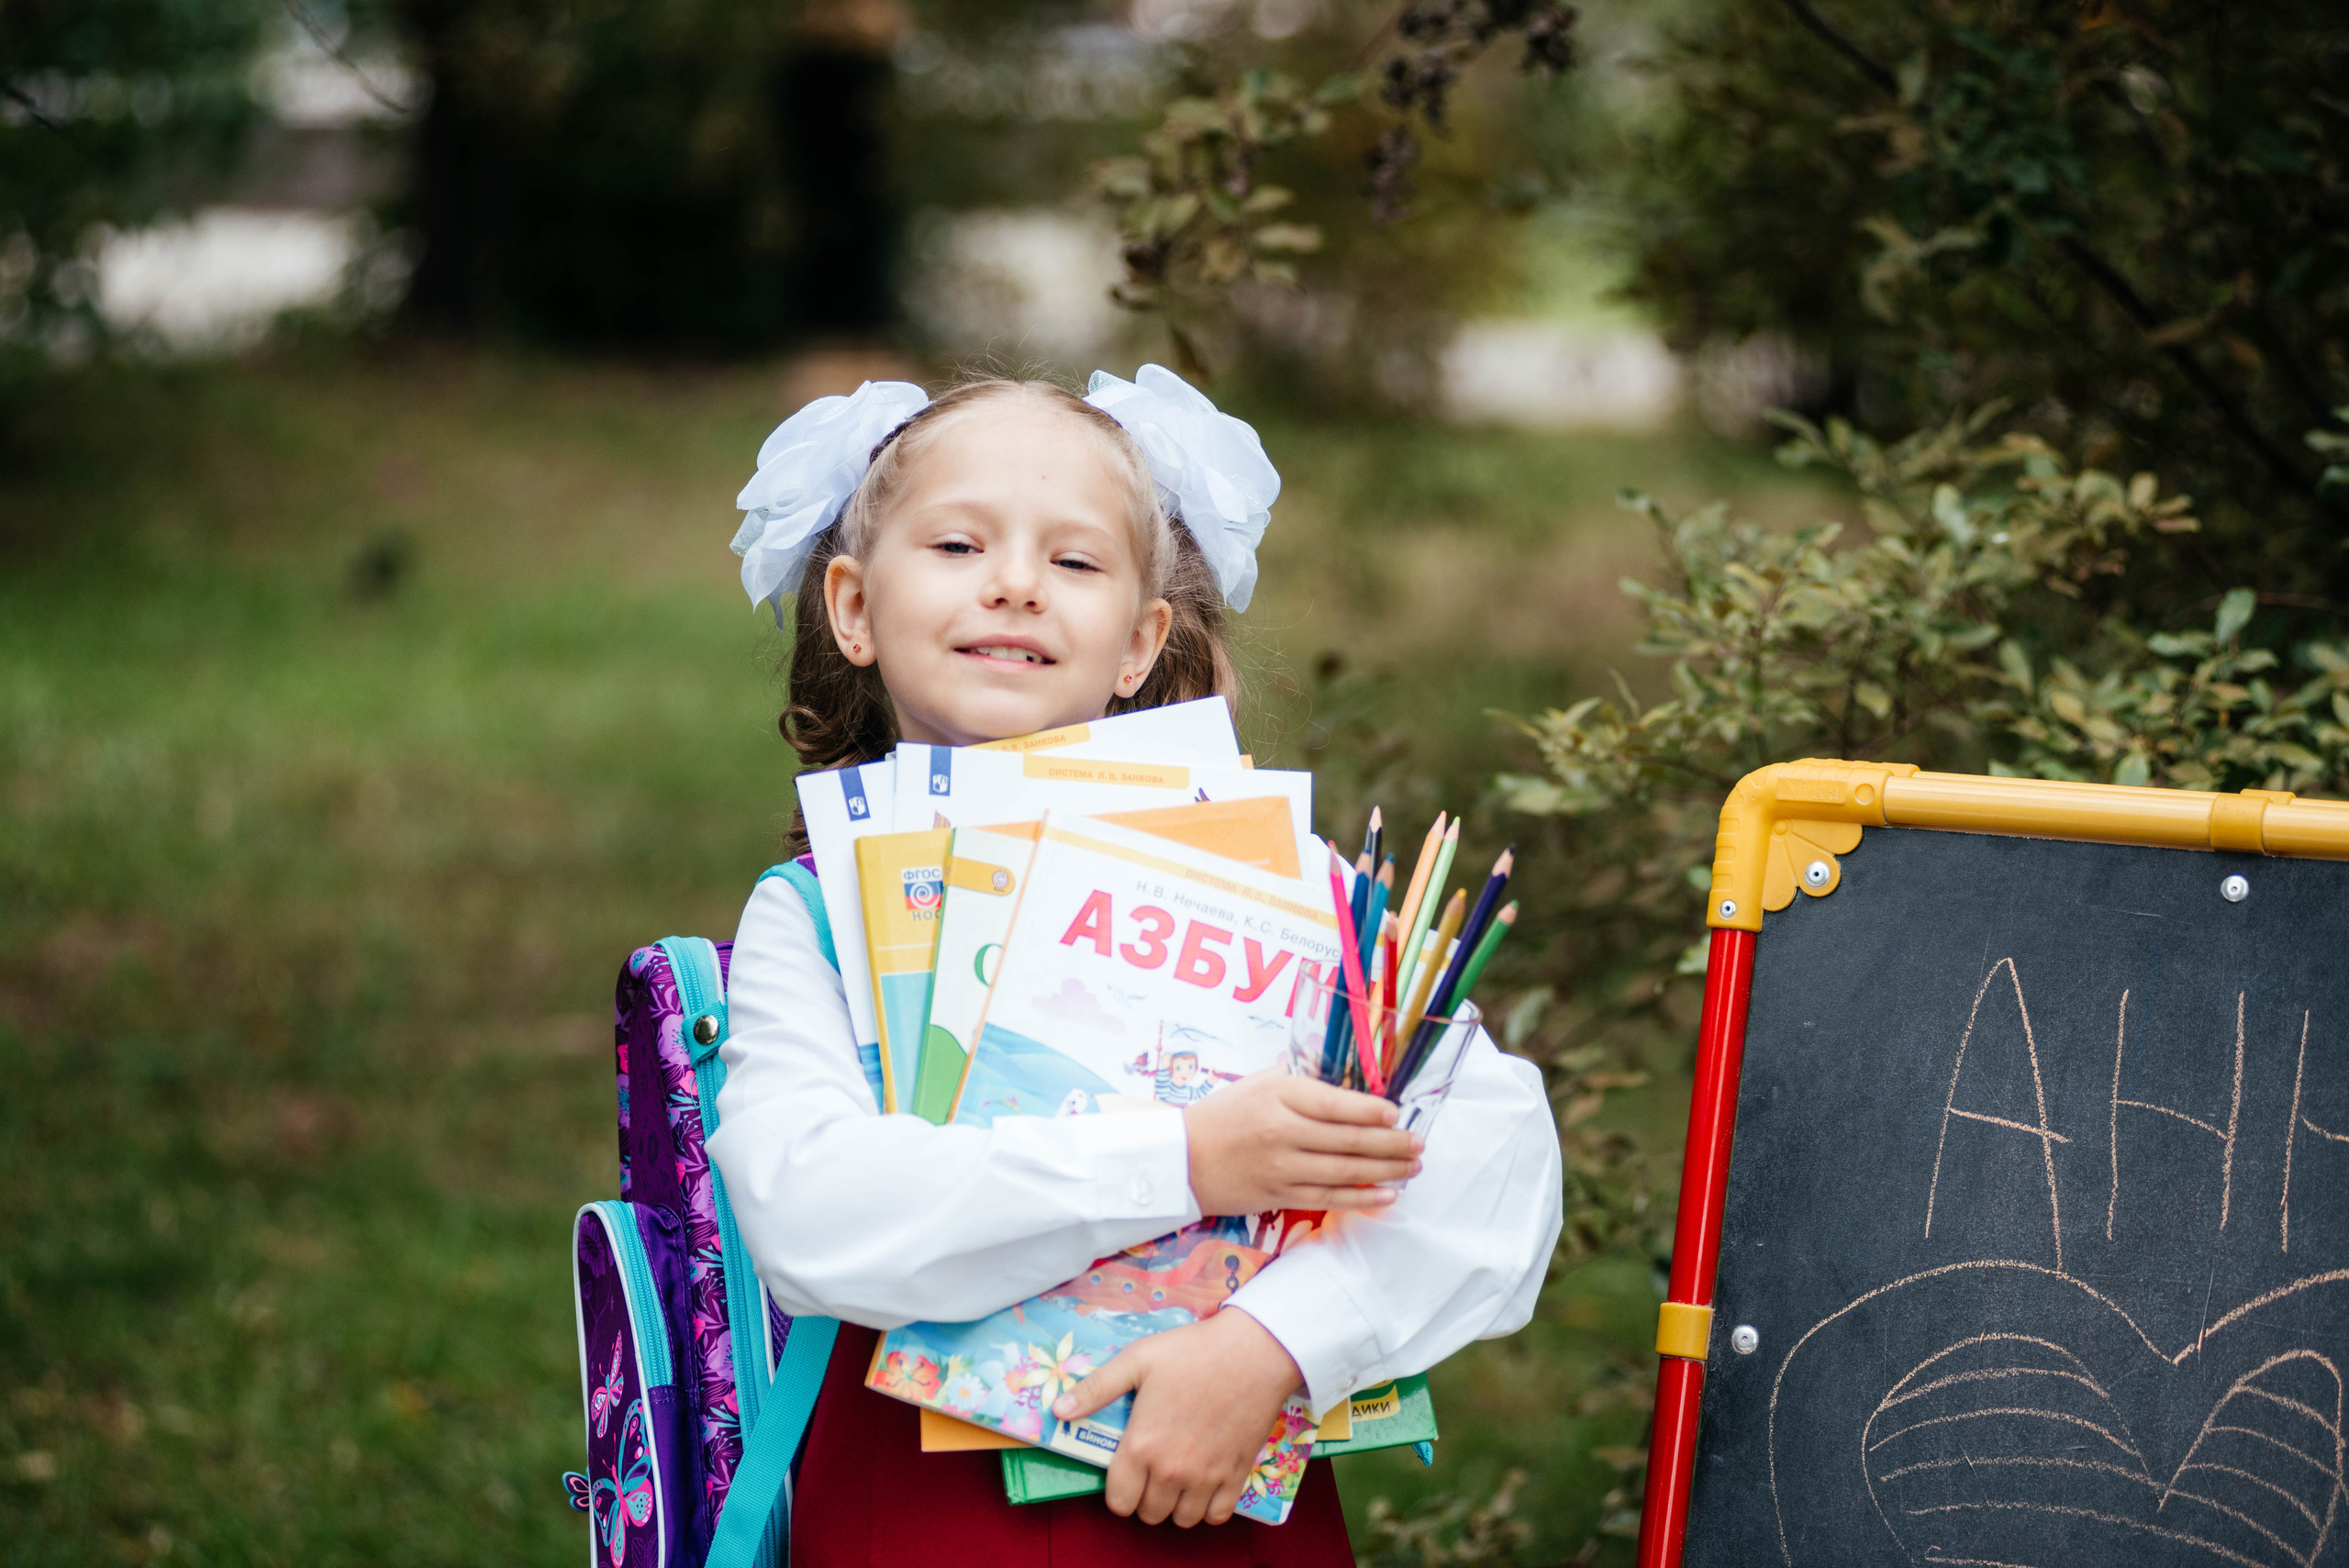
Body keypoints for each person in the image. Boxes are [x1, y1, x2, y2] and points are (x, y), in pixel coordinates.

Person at [708, 370, 1564, 1568]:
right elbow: (808, 1205)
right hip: (923, 1514)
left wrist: (1276, 1342)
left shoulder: (1277, 883)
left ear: (1140, 642)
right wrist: (1189, 1158)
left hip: (1218, 1487)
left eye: (1075, 562)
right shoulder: (816, 918)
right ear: (852, 605)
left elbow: (1494, 1151)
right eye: (959, 541)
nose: (1014, 580)